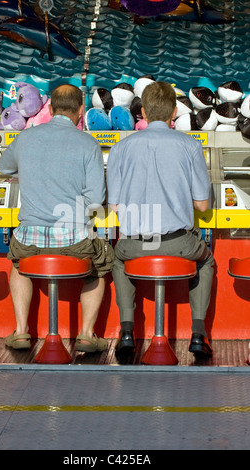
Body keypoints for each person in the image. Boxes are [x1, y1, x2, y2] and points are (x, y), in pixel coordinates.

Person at [0, 84, 114, 352]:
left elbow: (4, 166)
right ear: (81, 110)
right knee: (98, 267)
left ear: (49, 109)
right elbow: (96, 199)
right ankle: (86, 335)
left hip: (29, 238)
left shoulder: (26, 137)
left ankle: (22, 332)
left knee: (18, 264)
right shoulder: (88, 143)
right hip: (74, 239)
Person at [107, 81, 214, 358]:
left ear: (142, 111)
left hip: (134, 244)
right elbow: (203, 205)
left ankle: (127, 332)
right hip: (178, 244)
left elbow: (116, 207)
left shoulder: (121, 147)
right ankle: (199, 335)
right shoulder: (190, 145)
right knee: (206, 260)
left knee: (118, 259)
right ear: (175, 111)